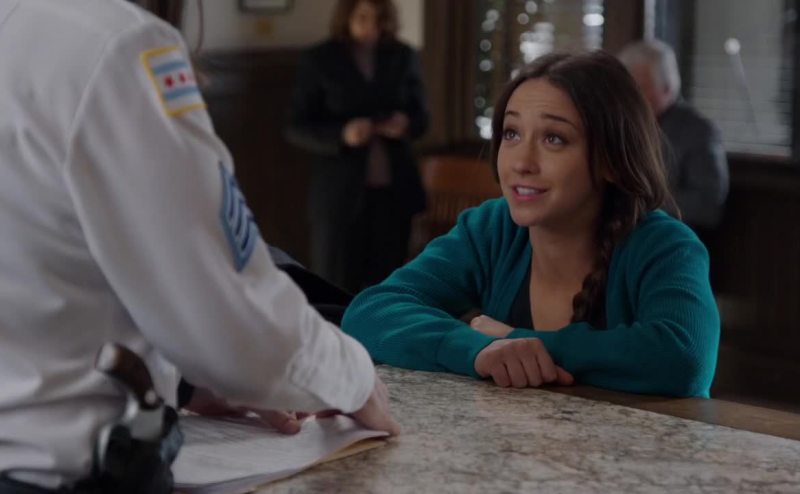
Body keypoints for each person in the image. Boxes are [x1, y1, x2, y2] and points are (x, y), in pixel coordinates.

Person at [0, 0, 398, 492]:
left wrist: (183, 381)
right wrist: (352, 376)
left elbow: (41, 272)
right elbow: (239, 326)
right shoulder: (114, 44)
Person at [342, 51, 720, 398]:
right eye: (511, 134)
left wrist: (521, 341)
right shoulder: (491, 228)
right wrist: (481, 350)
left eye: (554, 138)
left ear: (612, 160)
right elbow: (370, 312)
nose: (521, 162)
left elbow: (683, 358)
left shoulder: (665, 245)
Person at [286, 0, 429, 293]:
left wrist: (405, 124)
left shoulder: (402, 55)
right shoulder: (320, 58)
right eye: (363, 17)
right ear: (347, 17)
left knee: (389, 287)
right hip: (339, 195)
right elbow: (296, 127)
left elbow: (422, 118)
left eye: (379, 19)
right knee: (335, 286)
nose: (371, 27)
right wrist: (343, 134)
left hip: (393, 193)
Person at [618, 39, 730, 231]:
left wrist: (641, 204)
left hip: (667, 237)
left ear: (667, 87)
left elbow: (706, 205)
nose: (631, 97)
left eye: (640, 87)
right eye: (626, 88)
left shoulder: (698, 131)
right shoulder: (620, 125)